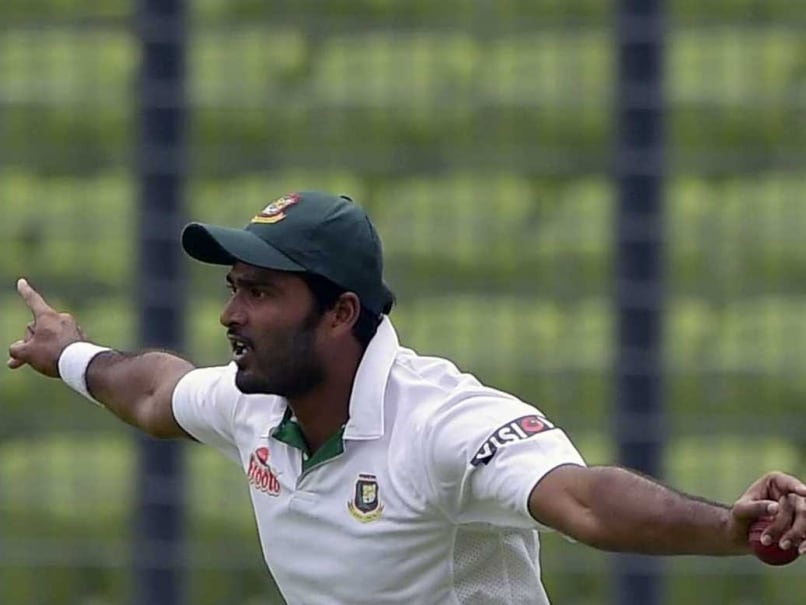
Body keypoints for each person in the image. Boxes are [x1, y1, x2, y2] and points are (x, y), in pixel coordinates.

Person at [7, 191, 806, 604]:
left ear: (341, 313)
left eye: (260, 292)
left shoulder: (442, 422)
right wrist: (69, 352)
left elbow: (587, 500)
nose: (230, 314)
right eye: (232, 288)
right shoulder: (256, 401)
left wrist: (727, 528)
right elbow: (156, 391)